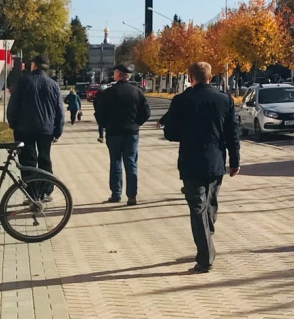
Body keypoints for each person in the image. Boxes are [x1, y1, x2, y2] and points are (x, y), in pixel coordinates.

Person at [162, 61, 240, 273]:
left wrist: (186, 134)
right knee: (210, 203)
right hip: (215, 161)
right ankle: (208, 237)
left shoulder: (181, 101)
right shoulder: (224, 100)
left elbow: (170, 133)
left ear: (190, 78)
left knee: (198, 208)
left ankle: (205, 258)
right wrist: (235, 161)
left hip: (191, 160)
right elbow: (232, 133)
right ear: (210, 76)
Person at [5, 55, 64, 194]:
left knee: (27, 162)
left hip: (24, 129)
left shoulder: (23, 82)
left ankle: (31, 193)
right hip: (46, 129)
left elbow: (13, 106)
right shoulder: (53, 85)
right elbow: (59, 110)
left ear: (34, 65)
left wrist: (13, 123)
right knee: (44, 160)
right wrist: (58, 130)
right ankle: (46, 190)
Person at [93, 64, 150, 205]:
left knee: (115, 163)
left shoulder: (108, 93)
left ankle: (116, 193)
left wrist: (106, 125)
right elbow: (146, 113)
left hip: (113, 133)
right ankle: (132, 195)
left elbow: (99, 114)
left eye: (115, 72)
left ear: (118, 74)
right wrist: (136, 123)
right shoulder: (137, 92)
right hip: (131, 133)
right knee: (131, 163)